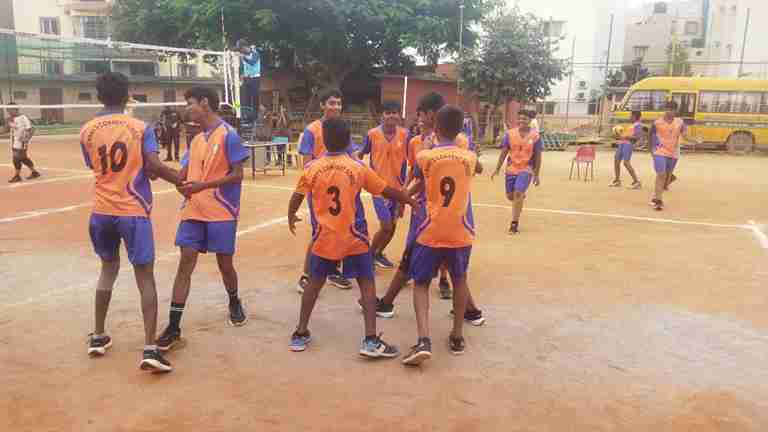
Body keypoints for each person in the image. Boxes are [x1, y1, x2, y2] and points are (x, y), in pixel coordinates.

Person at [287, 118, 417, 356]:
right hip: (353, 236)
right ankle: (370, 340)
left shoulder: (312, 168)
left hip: (325, 236)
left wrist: (291, 214)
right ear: (349, 140)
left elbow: (298, 195)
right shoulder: (357, 167)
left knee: (314, 283)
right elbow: (385, 190)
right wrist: (407, 199)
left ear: (324, 141)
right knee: (366, 282)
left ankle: (300, 332)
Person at [82, 72, 181, 372]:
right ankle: (150, 348)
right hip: (132, 210)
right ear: (127, 96)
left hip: (101, 211)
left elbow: (98, 166)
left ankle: (98, 336)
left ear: (99, 96)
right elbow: (152, 165)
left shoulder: (86, 131)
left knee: (107, 270)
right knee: (145, 276)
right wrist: (180, 180)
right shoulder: (140, 128)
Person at [375, 93, 485, 326]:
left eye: (421, 114)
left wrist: (405, 197)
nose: (418, 118)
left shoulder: (448, 143)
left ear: (432, 115)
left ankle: (386, 303)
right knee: (453, 268)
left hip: (432, 212)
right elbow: (417, 176)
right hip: (448, 212)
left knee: (413, 259)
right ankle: (471, 311)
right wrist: (405, 194)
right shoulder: (422, 141)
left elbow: (425, 180)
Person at [156, 87, 250, 351]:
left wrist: (202, 186)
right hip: (193, 209)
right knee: (185, 262)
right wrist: (162, 172)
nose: (187, 108)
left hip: (221, 210)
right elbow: (183, 174)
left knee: (225, 264)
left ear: (205, 103)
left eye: (190, 103)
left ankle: (234, 300)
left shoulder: (229, 135)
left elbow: (238, 174)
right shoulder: (196, 140)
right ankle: (174, 327)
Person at [401, 105, 478, 366]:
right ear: (460, 130)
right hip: (460, 230)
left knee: (421, 283)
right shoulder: (469, 157)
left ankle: (424, 339)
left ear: (435, 128)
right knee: (460, 279)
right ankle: (457, 336)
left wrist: (428, 145)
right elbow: (476, 167)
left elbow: (420, 177)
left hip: (431, 229)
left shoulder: (425, 156)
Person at [296, 89, 352, 292]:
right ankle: (306, 275)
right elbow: (307, 164)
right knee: (320, 232)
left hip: (340, 189)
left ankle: (333, 270)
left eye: (339, 103)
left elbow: (352, 156)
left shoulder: (342, 128)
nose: (336, 107)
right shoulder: (312, 130)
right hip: (320, 191)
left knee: (339, 229)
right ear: (322, 105)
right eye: (331, 103)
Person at [358, 101, 409, 269]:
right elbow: (360, 153)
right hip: (378, 188)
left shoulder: (406, 135)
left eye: (395, 112)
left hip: (398, 189)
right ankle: (370, 255)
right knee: (386, 226)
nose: (391, 116)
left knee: (393, 226)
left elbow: (413, 157)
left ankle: (379, 253)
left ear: (399, 116)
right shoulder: (372, 134)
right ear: (382, 115)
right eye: (388, 112)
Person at [491, 110, 543, 234]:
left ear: (530, 120)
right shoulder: (510, 134)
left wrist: (536, 174)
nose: (521, 121)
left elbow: (538, 156)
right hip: (511, 168)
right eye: (519, 118)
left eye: (524, 118)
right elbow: (504, 152)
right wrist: (497, 168)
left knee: (518, 193)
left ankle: (514, 224)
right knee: (510, 196)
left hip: (526, 169)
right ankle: (519, 196)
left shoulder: (535, 136)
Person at [649, 101, 701, 211]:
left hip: (673, 153)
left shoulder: (680, 122)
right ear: (665, 109)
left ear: (675, 111)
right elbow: (650, 135)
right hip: (659, 151)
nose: (669, 111)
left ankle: (657, 194)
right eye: (667, 109)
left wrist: (695, 140)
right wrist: (651, 150)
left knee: (666, 178)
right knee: (661, 174)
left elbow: (685, 135)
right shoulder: (657, 122)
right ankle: (658, 200)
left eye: (672, 110)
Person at [6, 103, 40, 183]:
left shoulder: (23, 118)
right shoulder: (10, 119)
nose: (8, 112)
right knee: (23, 158)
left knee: (16, 158)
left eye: (10, 110)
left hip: (22, 142)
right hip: (14, 141)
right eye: (7, 110)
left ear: (15, 109)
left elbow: (31, 129)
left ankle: (17, 176)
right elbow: (6, 129)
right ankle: (34, 172)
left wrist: (26, 138)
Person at [609, 110, 643, 189]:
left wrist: (627, 137)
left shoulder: (638, 125)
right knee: (616, 160)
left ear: (634, 116)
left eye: (631, 116)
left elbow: (638, 137)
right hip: (622, 143)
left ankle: (636, 182)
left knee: (626, 163)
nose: (629, 117)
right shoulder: (632, 125)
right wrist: (619, 136)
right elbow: (626, 135)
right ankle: (617, 181)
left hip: (628, 145)